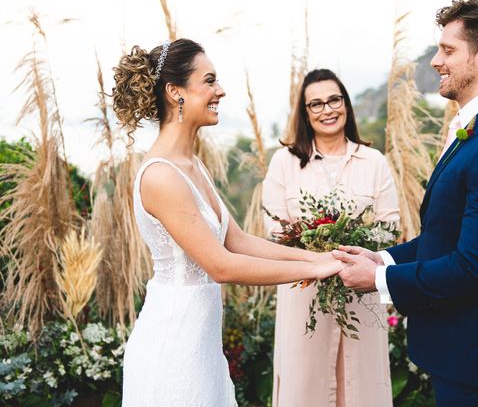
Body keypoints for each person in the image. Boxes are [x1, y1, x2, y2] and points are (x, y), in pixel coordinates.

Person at [333, 0, 478, 407]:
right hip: (461, 357)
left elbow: (473, 266)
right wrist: (384, 260)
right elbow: (447, 237)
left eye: (448, 50)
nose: (435, 61)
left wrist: (377, 281)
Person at [112, 39, 343, 407]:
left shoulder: (192, 165)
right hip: (171, 349)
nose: (220, 90)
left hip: (200, 347)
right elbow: (220, 265)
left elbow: (238, 241)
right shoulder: (161, 176)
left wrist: (318, 256)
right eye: (209, 80)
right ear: (175, 92)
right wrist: (317, 270)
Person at [262, 68, 399, 407]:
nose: (327, 110)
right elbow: (275, 229)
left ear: (346, 104)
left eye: (334, 100)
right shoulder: (284, 163)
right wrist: (319, 255)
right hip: (304, 294)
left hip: (361, 291)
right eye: (316, 104)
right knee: (305, 386)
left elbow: (390, 227)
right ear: (305, 113)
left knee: (362, 386)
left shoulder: (374, 161)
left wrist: (352, 252)